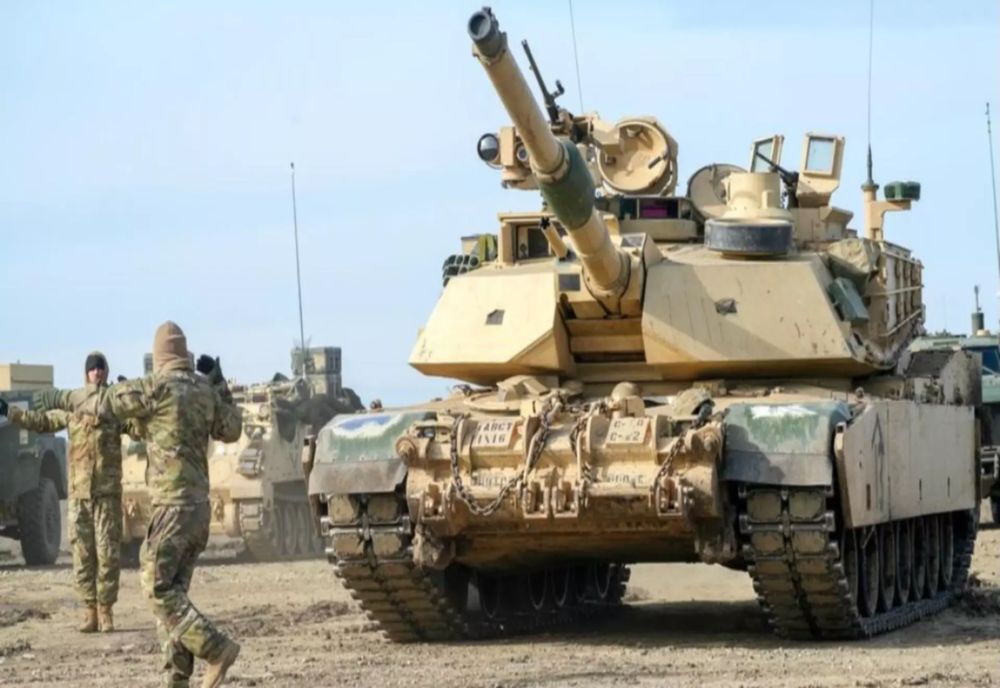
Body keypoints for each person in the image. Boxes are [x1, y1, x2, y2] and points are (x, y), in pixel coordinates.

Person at [99, 321, 243, 688]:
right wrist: (220, 385)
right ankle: (177, 678)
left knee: (156, 588)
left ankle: (215, 648)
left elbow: (110, 402)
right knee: (174, 597)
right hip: (198, 510)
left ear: (159, 357)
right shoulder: (204, 390)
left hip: (172, 508)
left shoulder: (156, 387)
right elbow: (231, 429)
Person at [0, 352, 129, 633]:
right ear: (86, 373)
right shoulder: (73, 410)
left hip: (106, 495)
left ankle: (106, 611)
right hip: (80, 495)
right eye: (92, 368)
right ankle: (90, 611)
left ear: (106, 372)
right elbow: (41, 422)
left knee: (107, 554)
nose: (96, 372)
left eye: (100, 368)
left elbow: (139, 427)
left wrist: (131, 401)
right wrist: (10, 413)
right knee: (82, 554)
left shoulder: (114, 410)